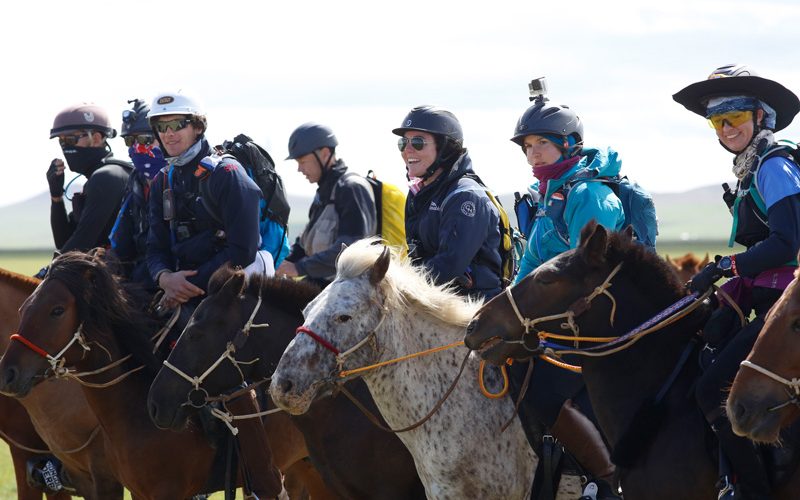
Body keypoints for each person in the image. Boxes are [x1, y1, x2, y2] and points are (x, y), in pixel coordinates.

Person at [674, 64, 800, 500]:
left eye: (734, 117)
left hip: (784, 307)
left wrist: (727, 268)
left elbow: (786, 243)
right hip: (764, 298)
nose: (725, 128)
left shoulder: (774, 167)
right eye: (717, 120)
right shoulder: (752, 169)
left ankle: (753, 490)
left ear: (760, 117)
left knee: (713, 389)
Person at [508, 88, 626, 499]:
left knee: (545, 386)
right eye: (528, 146)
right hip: (553, 316)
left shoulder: (589, 195)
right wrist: (507, 309)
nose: (534, 153)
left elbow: (591, 272)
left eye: (542, 143)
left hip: (594, 321)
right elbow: (528, 269)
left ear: (568, 144)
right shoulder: (547, 196)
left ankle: (605, 480)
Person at [145, 91, 262, 310]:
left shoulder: (227, 174)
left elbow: (244, 251)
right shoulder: (162, 180)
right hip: (177, 292)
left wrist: (185, 286)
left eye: (178, 124)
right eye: (161, 127)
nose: (168, 134)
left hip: (230, 293)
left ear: (198, 127)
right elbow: (155, 247)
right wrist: (164, 278)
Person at [392, 105, 503, 299]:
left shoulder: (466, 196)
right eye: (403, 142)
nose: (407, 150)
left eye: (418, 142)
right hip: (437, 303)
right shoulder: (419, 193)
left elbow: (448, 266)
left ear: (445, 148)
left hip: (476, 310)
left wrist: (394, 286)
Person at [276, 123, 377, 287]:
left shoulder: (351, 188)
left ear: (324, 154)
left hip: (347, 292)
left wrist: (299, 268)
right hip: (322, 285)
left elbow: (350, 248)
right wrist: (280, 261)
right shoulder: (324, 193)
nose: (299, 169)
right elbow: (304, 245)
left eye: (302, 161)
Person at [45, 103, 130, 255]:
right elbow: (64, 242)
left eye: (70, 140)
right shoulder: (95, 179)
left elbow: (82, 243)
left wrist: (48, 273)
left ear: (96, 138)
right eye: (61, 141)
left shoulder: (106, 177)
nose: (65, 147)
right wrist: (56, 197)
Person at [108, 98, 167, 290]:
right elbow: (120, 244)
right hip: (142, 279)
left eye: (145, 140)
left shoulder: (186, 180)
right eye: (130, 140)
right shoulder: (136, 182)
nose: (137, 148)